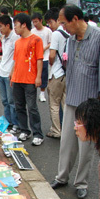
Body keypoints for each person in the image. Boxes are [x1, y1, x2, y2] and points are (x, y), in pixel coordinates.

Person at [51, 5, 100, 199]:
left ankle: (81, 182)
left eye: (64, 22)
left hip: (91, 101)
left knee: (86, 146)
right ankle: (62, 177)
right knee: (67, 142)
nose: (62, 26)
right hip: (72, 98)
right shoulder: (70, 40)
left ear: (75, 19)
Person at [11, 13, 45, 146]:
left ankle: (38, 134)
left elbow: (39, 59)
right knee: (19, 107)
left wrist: (38, 77)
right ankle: (25, 130)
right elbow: (15, 60)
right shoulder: (17, 42)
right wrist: (12, 75)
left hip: (30, 79)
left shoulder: (36, 40)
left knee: (32, 107)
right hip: (17, 79)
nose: (15, 28)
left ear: (24, 25)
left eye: (16, 25)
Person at [44, 7, 69, 138]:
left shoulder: (56, 34)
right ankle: (68, 130)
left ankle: (56, 130)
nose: (49, 25)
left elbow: (52, 54)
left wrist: (51, 64)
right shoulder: (69, 33)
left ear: (57, 20)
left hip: (57, 73)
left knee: (54, 103)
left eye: (50, 22)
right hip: (66, 73)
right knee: (65, 103)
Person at [0, 15, 20, 133]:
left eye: (0, 26)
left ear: (7, 25)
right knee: (4, 101)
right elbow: (7, 54)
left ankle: (16, 124)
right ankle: (8, 122)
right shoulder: (4, 37)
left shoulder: (15, 38)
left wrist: (13, 72)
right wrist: (0, 57)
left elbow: (17, 57)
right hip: (1, 72)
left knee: (11, 101)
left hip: (10, 73)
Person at [31, 13, 52, 102]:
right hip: (33, 57)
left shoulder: (48, 31)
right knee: (33, 75)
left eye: (36, 21)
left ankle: (42, 93)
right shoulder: (32, 31)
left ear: (41, 21)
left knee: (43, 75)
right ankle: (33, 92)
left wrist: (44, 48)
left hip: (45, 57)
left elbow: (51, 42)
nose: (35, 24)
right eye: (33, 22)